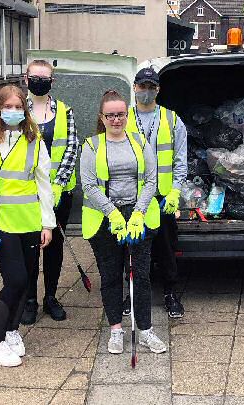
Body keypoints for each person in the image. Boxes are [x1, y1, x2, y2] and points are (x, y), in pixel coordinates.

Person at [0, 85, 55, 367]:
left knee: (27, 280)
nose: (14, 112)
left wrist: (48, 224)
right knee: (15, 280)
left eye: (19, 107)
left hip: (29, 221)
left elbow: (44, 185)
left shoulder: (34, 141)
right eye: (9, 106)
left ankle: (12, 330)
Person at [81, 89, 167, 355]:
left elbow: (151, 180)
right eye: (110, 115)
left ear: (126, 115)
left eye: (120, 114)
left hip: (138, 216)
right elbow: (88, 185)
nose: (116, 120)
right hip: (105, 219)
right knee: (110, 276)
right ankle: (116, 330)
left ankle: (145, 330)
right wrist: (113, 214)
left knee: (140, 275)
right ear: (102, 117)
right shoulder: (92, 146)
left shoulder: (141, 142)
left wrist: (138, 213)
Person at [124, 67, 187, 318]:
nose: (146, 92)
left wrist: (175, 192)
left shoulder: (173, 120)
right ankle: (132, 294)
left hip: (162, 198)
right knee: (132, 249)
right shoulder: (122, 117)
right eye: (142, 87)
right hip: (132, 196)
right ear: (135, 88)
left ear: (158, 89)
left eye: (151, 87)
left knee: (166, 250)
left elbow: (180, 161)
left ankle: (171, 294)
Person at [20, 59, 79, 324]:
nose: (40, 82)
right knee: (30, 247)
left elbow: (71, 148)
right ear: (26, 78)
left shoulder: (65, 111)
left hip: (59, 193)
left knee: (53, 247)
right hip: (27, 194)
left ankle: (51, 297)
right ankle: (29, 299)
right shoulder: (17, 109)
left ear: (52, 82)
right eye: (36, 77)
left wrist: (57, 184)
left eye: (45, 78)